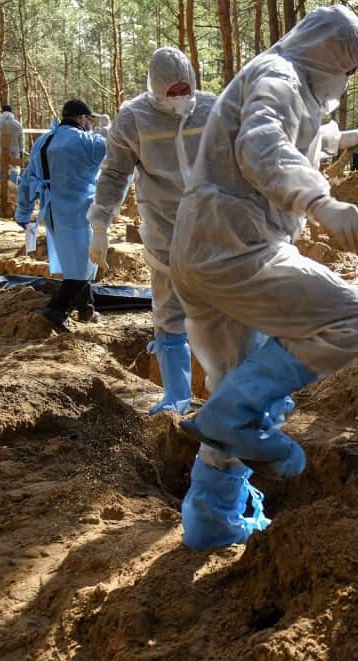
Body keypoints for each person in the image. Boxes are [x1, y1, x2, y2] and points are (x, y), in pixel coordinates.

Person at [170, 5, 358, 550]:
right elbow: (263, 145)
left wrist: (340, 137)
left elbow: (296, 130)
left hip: (198, 254)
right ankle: (231, 420)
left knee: (236, 384)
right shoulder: (280, 77)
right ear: (330, 54)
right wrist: (322, 203)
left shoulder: (282, 78)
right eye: (346, 68)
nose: (343, 81)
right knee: (353, 321)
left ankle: (210, 521)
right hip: (238, 250)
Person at [88, 47, 216, 416]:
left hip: (214, 230)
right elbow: (114, 173)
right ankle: (176, 395)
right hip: (165, 232)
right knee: (170, 311)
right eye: (171, 92)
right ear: (154, 89)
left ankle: (242, 394)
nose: (179, 98)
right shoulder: (133, 119)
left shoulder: (212, 109)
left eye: (185, 89)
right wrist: (101, 222)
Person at [15, 99, 110, 332]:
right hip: (79, 211)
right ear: (81, 118)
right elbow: (117, 156)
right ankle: (56, 310)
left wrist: (24, 212)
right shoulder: (86, 141)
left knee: (76, 260)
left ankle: (86, 309)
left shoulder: (42, 142)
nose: (89, 124)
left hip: (51, 210)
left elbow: (27, 180)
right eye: (89, 119)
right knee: (82, 264)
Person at [0, 104, 24, 181]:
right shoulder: (17, 124)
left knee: (0, 168)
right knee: (14, 169)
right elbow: (21, 139)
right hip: (14, 150)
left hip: (1, 149)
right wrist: (21, 150)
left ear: (2, 112)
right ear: (11, 112)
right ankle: (13, 189)